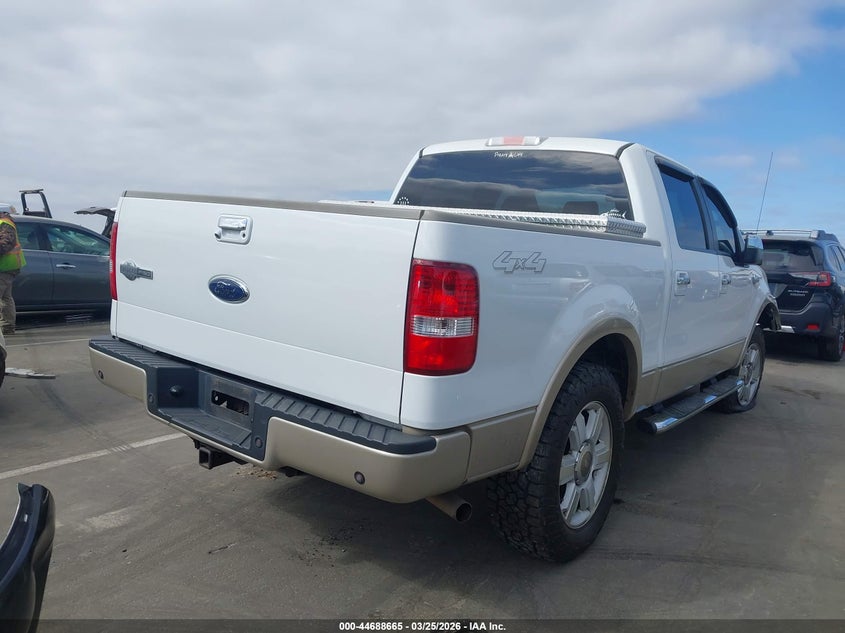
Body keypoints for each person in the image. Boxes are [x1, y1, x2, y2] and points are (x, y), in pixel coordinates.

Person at [0, 204, 26, 335]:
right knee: (6, 298)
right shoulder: (5, 223)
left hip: (5, 267)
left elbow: (4, 244)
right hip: (7, 267)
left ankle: (7, 327)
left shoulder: (5, 224)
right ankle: (7, 327)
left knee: (4, 298)